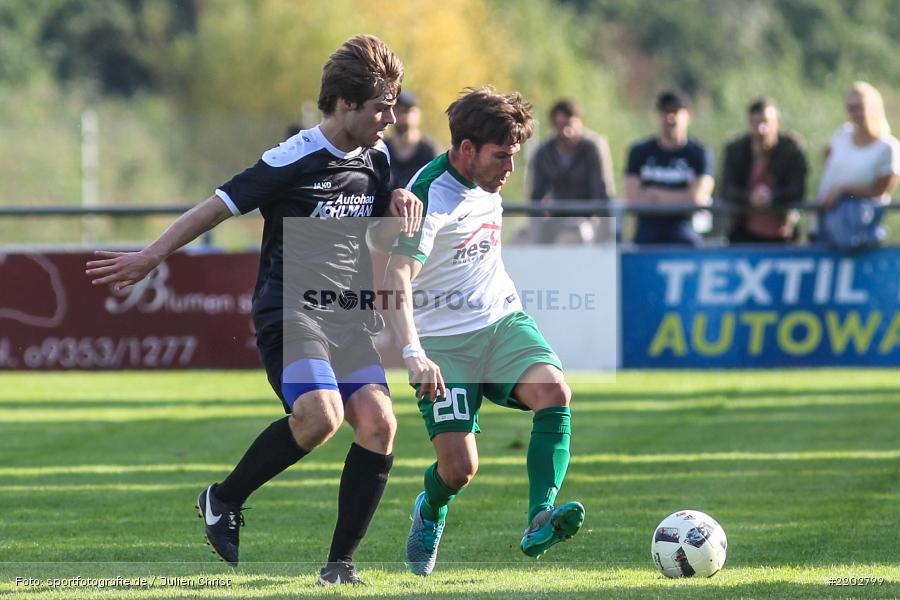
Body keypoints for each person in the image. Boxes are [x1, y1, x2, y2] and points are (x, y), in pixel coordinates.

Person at [84, 35, 423, 586]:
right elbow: (214, 208)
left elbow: (379, 211)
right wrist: (151, 256)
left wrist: (400, 198)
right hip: (289, 311)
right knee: (321, 417)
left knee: (381, 424)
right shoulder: (293, 157)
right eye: (383, 105)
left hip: (346, 316)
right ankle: (223, 499)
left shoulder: (378, 156)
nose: (393, 116)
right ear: (345, 104)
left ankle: (339, 568)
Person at [380, 87, 584, 578]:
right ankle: (430, 509)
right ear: (466, 149)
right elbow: (396, 277)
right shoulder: (428, 197)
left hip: (500, 320)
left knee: (555, 391)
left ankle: (541, 516)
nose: (509, 169)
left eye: (514, 156)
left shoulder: (488, 180)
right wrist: (414, 353)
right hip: (444, 346)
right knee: (458, 471)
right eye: (501, 157)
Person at [624, 90, 714, 246]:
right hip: (646, 232)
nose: (670, 118)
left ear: (688, 116)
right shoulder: (639, 151)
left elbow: (697, 199)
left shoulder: (700, 153)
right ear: (657, 116)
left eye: (675, 112)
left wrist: (654, 193)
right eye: (664, 112)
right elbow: (632, 198)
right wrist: (680, 196)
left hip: (685, 230)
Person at [815, 81, 899, 245]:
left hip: (856, 229)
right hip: (826, 219)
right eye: (851, 108)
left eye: (860, 107)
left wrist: (844, 189)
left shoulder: (888, 147)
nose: (856, 113)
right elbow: (827, 157)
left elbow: (881, 191)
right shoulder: (843, 133)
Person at [721, 98, 808, 244]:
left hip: (783, 235)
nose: (761, 129)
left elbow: (798, 189)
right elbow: (727, 189)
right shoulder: (736, 150)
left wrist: (772, 197)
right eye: (755, 123)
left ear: (777, 123)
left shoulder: (791, 150)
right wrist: (750, 197)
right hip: (743, 234)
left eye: (765, 122)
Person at [529, 99, 616, 244]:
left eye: (569, 125)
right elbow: (536, 197)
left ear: (581, 123)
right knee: (519, 241)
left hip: (586, 220)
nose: (565, 132)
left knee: (568, 238)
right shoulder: (544, 153)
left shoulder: (592, 148)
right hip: (555, 220)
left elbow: (601, 191)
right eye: (559, 125)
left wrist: (605, 231)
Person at [385, 91, 440, 189]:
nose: (402, 117)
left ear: (418, 114)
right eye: (397, 111)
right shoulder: (381, 150)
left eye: (406, 111)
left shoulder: (430, 152)